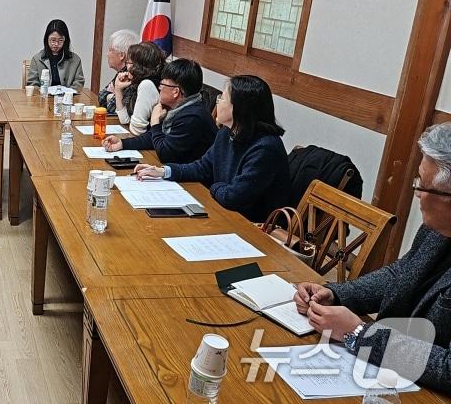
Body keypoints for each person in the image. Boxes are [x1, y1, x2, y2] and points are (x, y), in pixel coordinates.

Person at [293, 122, 451, 392]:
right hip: (384, 374)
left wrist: (360, 334)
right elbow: (401, 274)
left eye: (422, 186)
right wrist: (336, 294)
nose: (417, 195)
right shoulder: (436, 229)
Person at [131, 75, 290, 222]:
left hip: (251, 228)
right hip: (222, 212)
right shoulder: (226, 133)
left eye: (223, 98)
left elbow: (233, 197)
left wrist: (214, 185)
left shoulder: (265, 148)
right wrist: (162, 171)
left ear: (240, 108)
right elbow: (202, 167)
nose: (217, 102)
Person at [102, 58, 216, 164]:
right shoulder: (179, 107)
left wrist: (155, 122)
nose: (159, 87)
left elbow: (165, 154)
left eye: (163, 84)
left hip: (196, 183)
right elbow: (152, 137)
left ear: (175, 92)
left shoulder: (192, 116)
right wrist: (122, 143)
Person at [112, 42, 164, 135]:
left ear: (139, 66)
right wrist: (118, 89)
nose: (126, 66)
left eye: (128, 62)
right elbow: (125, 120)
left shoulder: (147, 85)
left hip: (148, 145)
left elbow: (137, 131)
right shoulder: (138, 82)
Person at [26, 19, 85, 90]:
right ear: (46, 39)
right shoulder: (37, 59)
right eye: (53, 40)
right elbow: (32, 83)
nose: (56, 44)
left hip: (67, 99)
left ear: (65, 40)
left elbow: (79, 82)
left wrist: (67, 93)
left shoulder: (75, 59)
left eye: (60, 40)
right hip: (43, 98)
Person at [97, 29, 138, 113]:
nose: (107, 54)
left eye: (110, 50)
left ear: (122, 55)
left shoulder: (129, 75)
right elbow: (101, 97)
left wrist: (113, 94)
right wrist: (112, 95)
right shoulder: (121, 72)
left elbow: (111, 108)